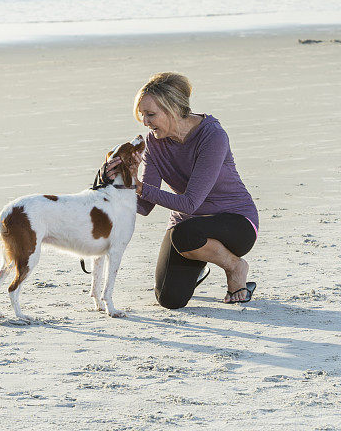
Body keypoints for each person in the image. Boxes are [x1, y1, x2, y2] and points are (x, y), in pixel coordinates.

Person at [101, 72, 258, 309]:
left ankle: (235, 266)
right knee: (169, 299)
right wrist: (118, 181)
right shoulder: (154, 142)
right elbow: (144, 206)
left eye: (151, 115)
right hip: (188, 228)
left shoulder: (212, 136)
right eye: (142, 115)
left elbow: (190, 203)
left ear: (173, 108)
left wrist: (138, 186)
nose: (145, 122)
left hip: (235, 222)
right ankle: (200, 261)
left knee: (184, 235)